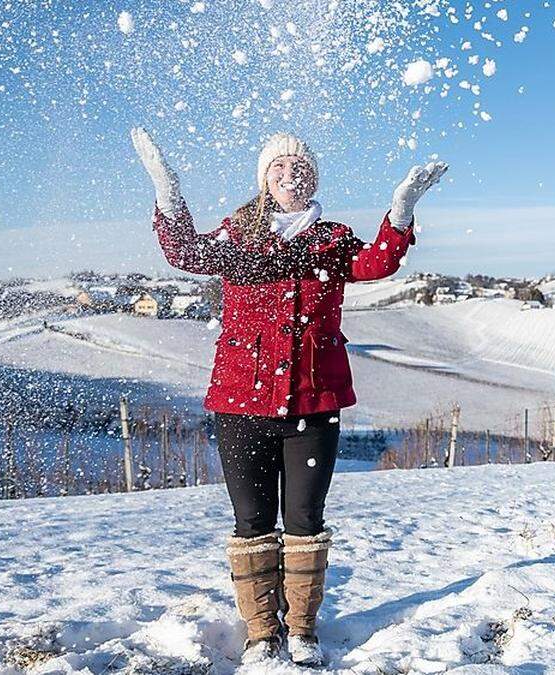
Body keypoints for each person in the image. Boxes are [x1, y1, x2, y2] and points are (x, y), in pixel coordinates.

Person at [131, 127, 447, 665]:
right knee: (251, 522)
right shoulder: (237, 236)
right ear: (264, 180)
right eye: (278, 167)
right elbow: (183, 252)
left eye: (300, 166)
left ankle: (300, 628)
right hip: (240, 405)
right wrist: (168, 191)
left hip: (313, 402)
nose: (290, 173)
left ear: (314, 178)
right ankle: (260, 633)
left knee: (305, 520)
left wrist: (400, 212)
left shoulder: (331, 238)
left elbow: (377, 264)